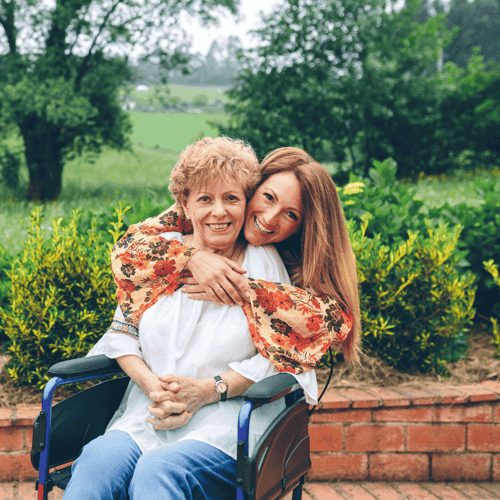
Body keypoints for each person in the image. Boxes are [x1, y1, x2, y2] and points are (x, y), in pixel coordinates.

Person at [62, 137, 318, 500]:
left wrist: (207, 390)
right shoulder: (160, 257)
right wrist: (151, 386)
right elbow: (122, 333)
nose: (219, 212)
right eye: (205, 199)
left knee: (160, 471)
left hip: (228, 424)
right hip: (148, 412)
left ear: (245, 203)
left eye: (231, 198)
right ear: (184, 203)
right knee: (96, 462)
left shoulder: (262, 265)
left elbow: (281, 357)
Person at [112, 146, 361, 375]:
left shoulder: (277, 257)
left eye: (291, 214)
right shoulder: (190, 218)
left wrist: (247, 290)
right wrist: (191, 258)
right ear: (251, 190)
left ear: (302, 227)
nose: (269, 218)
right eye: (269, 198)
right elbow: (126, 249)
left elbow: (332, 321)